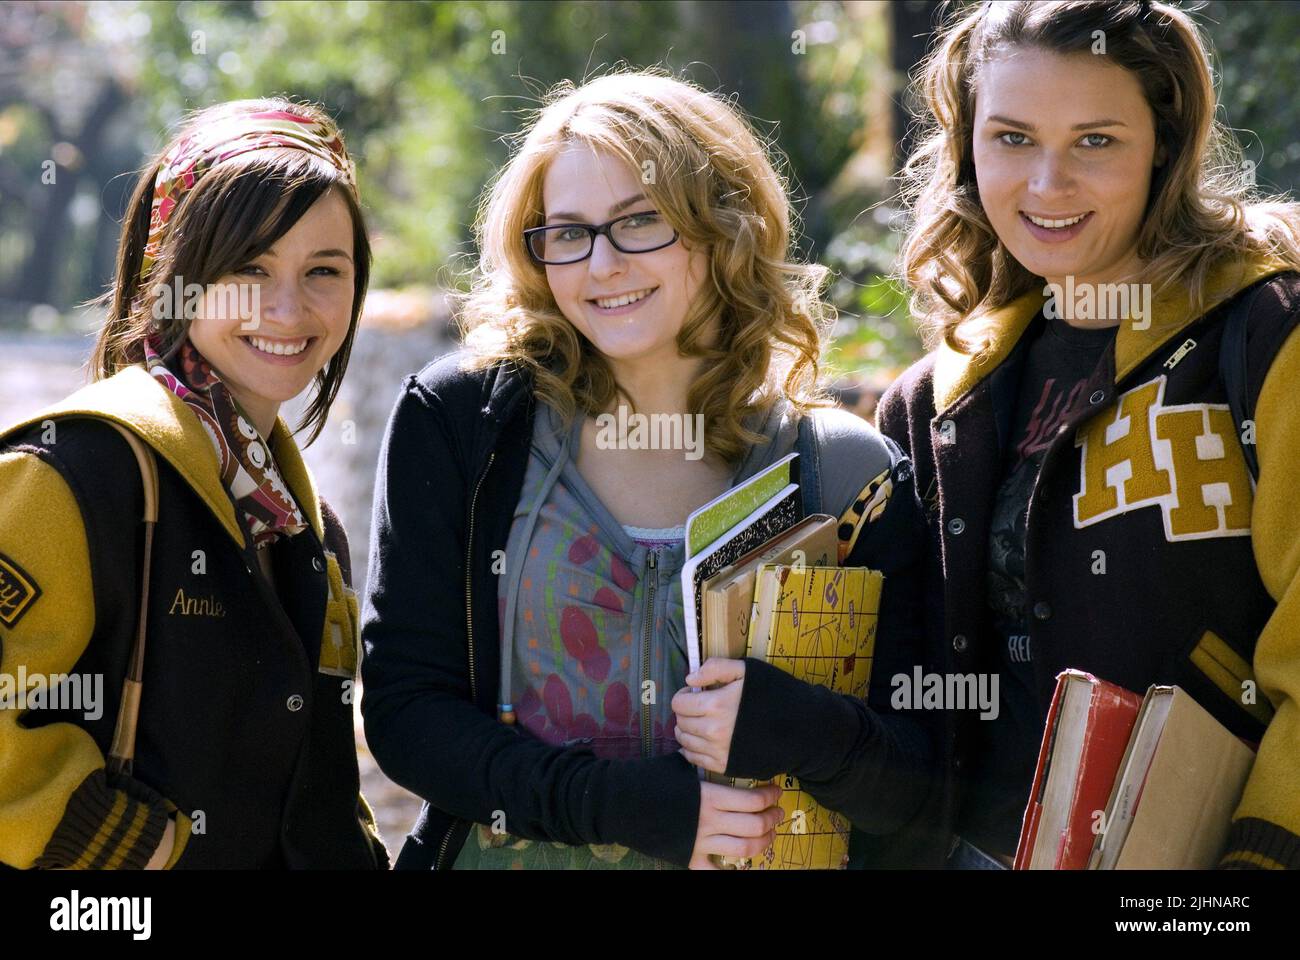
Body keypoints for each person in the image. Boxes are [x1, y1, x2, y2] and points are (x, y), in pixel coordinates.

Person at [361, 69, 936, 870]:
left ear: (722, 227)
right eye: (567, 232)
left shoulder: (842, 470)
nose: (601, 265)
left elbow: (921, 785)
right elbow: (406, 714)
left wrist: (810, 729)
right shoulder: (464, 422)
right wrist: (634, 807)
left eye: (639, 222)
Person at [877, 0, 1300, 869]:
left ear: (1166, 145)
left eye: (1096, 140)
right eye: (1013, 138)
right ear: (966, 147)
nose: (1046, 185)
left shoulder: (1263, 332)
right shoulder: (931, 403)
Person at [0, 98, 387, 869]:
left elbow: (314, 776)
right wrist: (144, 856)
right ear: (172, 274)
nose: (287, 307)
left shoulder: (307, 525)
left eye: (323, 271)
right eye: (250, 267)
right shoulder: (72, 473)